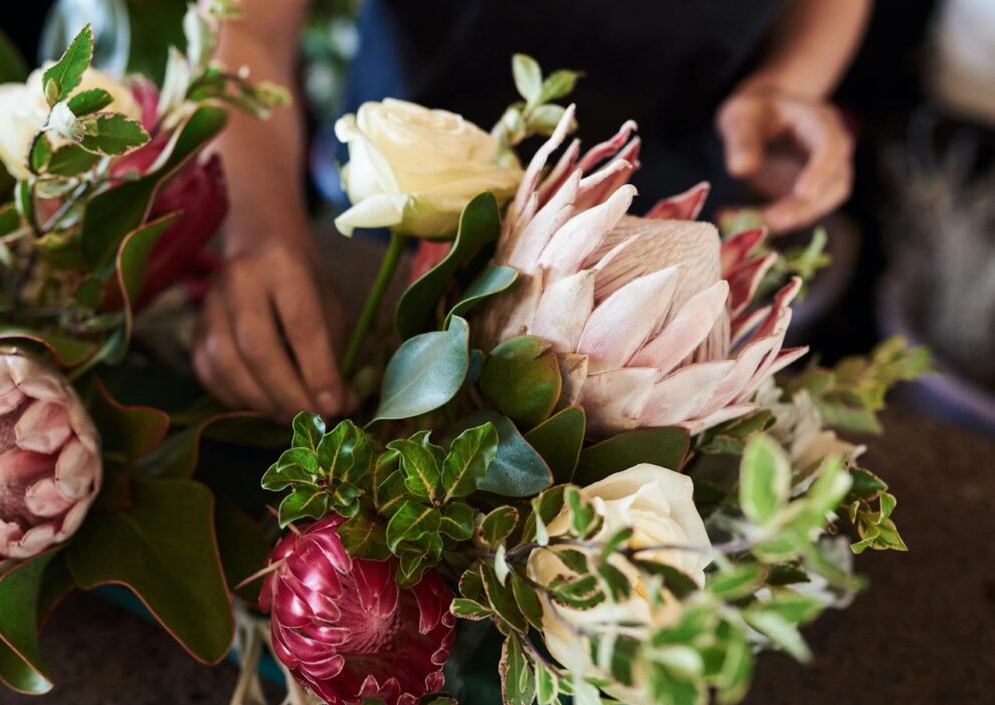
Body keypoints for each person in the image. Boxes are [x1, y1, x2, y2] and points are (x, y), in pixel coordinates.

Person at [193, 0, 872, 422]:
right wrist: (259, 230)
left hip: (652, 269)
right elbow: (246, 28)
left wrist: (787, 81)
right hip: (404, 219)